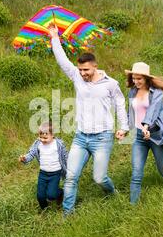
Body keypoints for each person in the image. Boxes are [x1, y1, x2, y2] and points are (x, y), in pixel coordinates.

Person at [48, 24, 129, 216]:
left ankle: (112, 193)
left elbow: (120, 103)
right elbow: (62, 60)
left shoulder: (110, 84)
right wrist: (54, 37)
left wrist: (123, 127)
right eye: (80, 70)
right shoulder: (76, 76)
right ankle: (68, 214)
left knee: (99, 178)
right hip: (81, 137)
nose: (82, 73)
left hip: (102, 137)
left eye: (86, 70)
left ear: (95, 66)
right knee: (70, 177)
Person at [126, 62, 163, 204]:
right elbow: (130, 113)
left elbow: (153, 111)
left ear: (146, 78)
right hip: (138, 137)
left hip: (155, 135)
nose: (136, 82)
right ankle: (132, 206)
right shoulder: (132, 92)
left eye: (139, 79)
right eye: (134, 78)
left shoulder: (157, 93)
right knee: (136, 173)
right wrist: (124, 129)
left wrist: (146, 126)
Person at [19, 121, 68, 210]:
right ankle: (44, 210)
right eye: (40, 137)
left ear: (52, 135)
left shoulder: (58, 144)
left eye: (45, 138)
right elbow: (31, 153)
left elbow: (65, 156)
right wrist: (25, 158)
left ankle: (60, 193)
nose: (42, 140)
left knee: (51, 195)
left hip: (55, 173)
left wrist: (69, 168)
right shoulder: (38, 143)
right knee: (40, 196)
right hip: (43, 173)